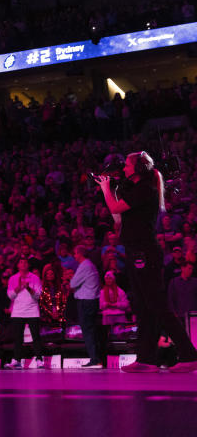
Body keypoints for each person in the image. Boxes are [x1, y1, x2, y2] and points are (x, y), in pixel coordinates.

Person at [95, 151, 197, 372]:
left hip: (144, 253)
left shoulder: (145, 189)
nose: (124, 169)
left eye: (128, 166)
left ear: (139, 168)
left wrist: (105, 189)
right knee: (143, 307)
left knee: (157, 305)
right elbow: (118, 218)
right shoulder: (137, 190)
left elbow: (114, 208)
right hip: (135, 251)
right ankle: (146, 359)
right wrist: (111, 190)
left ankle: (189, 354)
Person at [6, 257, 46, 369]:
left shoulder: (35, 278)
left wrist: (28, 288)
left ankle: (39, 359)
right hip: (18, 311)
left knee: (36, 337)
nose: (23, 264)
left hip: (32, 311)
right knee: (18, 337)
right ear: (18, 265)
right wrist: (19, 287)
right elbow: (10, 296)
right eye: (21, 262)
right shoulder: (13, 278)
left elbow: (38, 296)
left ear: (28, 265)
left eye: (25, 262)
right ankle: (17, 360)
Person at [70, 244, 103, 368]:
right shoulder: (90, 265)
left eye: (75, 253)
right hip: (91, 301)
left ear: (80, 254)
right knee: (91, 330)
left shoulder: (84, 266)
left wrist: (72, 283)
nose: (74, 256)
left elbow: (73, 284)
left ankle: (94, 359)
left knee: (88, 331)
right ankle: (96, 358)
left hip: (86, 302)